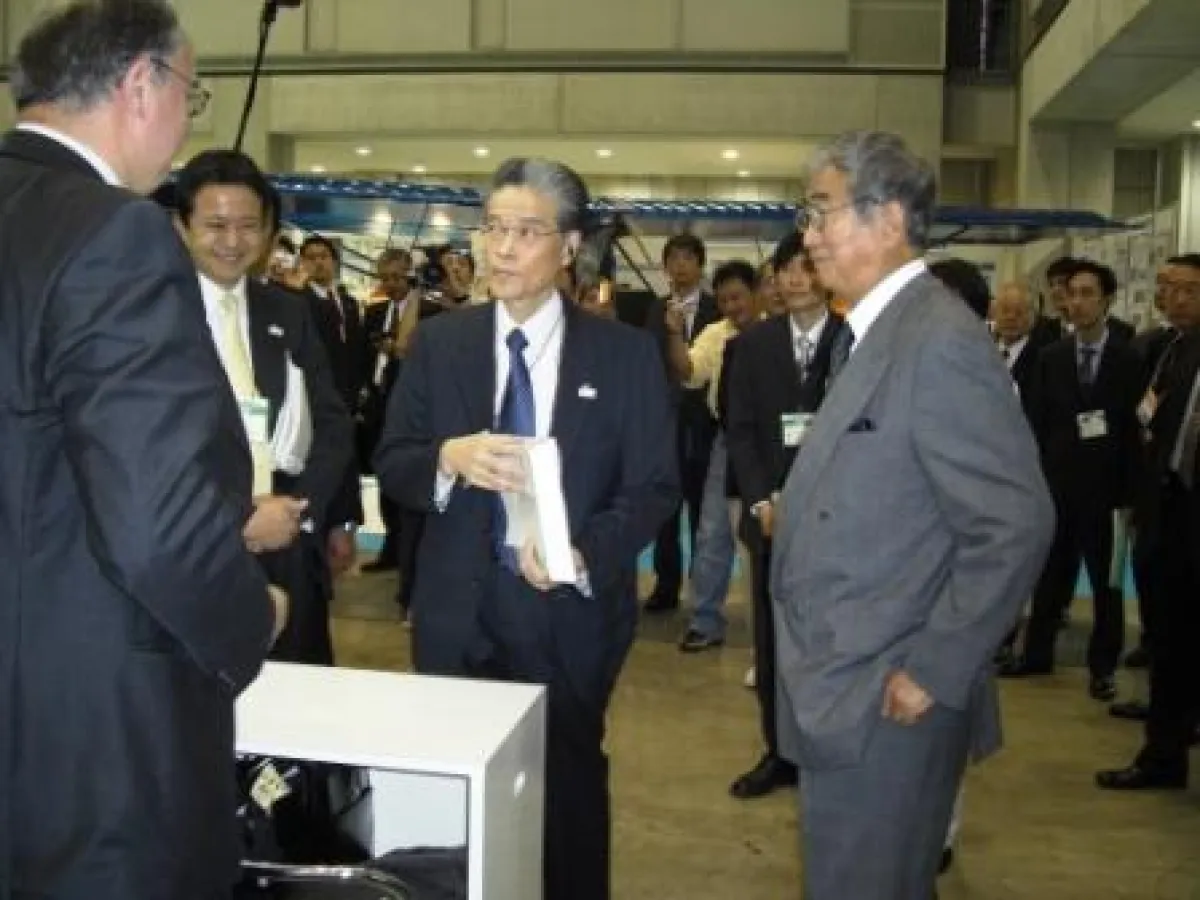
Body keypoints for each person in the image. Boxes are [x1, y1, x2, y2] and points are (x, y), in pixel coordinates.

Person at [0, 2, 290, 898]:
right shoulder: (112, 233)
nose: (181, 125)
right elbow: (157, 523)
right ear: (141, 85)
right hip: (88, 742)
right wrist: (254, 618)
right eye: (188, 94)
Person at [374, 157, 678, 900]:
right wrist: (447, 458)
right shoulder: (443, 343)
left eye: (526, 231)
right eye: (493, 229)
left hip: (564, 619)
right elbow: (393, 461)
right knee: (457, 814)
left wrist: (582, 552)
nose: (501, 249)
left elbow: (653, 488)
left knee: (565, 802)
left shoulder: (625, 356)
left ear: (569, 246)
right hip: (454, 613)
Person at [771, 130, 1054, 900]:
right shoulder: (874, 334)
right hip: (847, 680)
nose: (809, 233)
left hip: (887, 694)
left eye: (822, 212)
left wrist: (933, 668)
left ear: (889, 221)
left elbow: (1015, 521)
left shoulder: (937, 340)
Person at [173, 148, 356, 664]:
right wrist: (235, 519)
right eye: (215, 224)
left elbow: (332, 421)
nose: (233, 242)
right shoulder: (154, 315)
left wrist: (299, 514)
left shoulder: (289, 313)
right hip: (193, 548)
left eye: (249, 226)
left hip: (289, 542)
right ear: (182, 226)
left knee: (298, 707)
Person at [724, 233, 845, 800]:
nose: (795, 279)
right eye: (785, 269)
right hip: (770, 518)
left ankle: (826, 749)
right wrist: (761, 500)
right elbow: (740, 431)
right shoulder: (751, 346)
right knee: (772, 643)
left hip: (838, 522)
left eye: (806, 267)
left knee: (831, 641)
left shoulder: (856, 342)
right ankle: (779, 752)